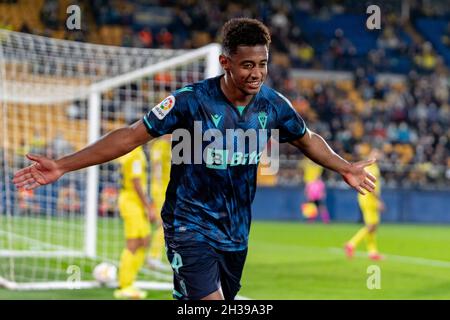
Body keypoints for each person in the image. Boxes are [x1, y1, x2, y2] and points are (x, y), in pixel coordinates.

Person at [13, 18, 376, 300]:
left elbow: (307, 139)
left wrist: (344, 166)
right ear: (225, 62)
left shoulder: (273, 104)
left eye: (262, 64)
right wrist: (62, 165)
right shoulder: (189, 101)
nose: (256, 73)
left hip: (235, 232)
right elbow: (130, 136)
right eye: (247, 64)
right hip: (188, 223)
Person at [113, 143, 157, 299]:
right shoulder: (136, 155)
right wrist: (148, 206)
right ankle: (124, 285)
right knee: (134, 243)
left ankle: (130, 280)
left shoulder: (129, 153)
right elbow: (136, 183)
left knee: (145, 240)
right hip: (132, 202)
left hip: (133, 201)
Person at [345, 147, 384, 261]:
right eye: (376, 154)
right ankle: (351, 244)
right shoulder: (372, 169)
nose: (378, 156)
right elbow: (372, 187)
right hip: (369, 199)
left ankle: (372, 252)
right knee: (371, 226)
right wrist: (379, 201)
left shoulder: (372, 167)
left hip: (367, 199)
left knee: (373, 226)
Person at [146, 135, 172, 271]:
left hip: (166, 188)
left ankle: (153, 256)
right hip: (160, 190)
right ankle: (153, 257)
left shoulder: (167, 145)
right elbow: (156, 167)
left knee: (165, 223)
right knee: (163, 223)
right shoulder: (159, 145)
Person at [300, 157, 330, 223]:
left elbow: (322, 190)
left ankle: (326, 220)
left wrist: (322, 195)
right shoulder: (310, 183)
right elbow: (306, 191)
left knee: (321, 208)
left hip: (317, 196)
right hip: (311, 196)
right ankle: (311, 220)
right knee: (311, 208)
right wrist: (307, 195)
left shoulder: (320, 182)